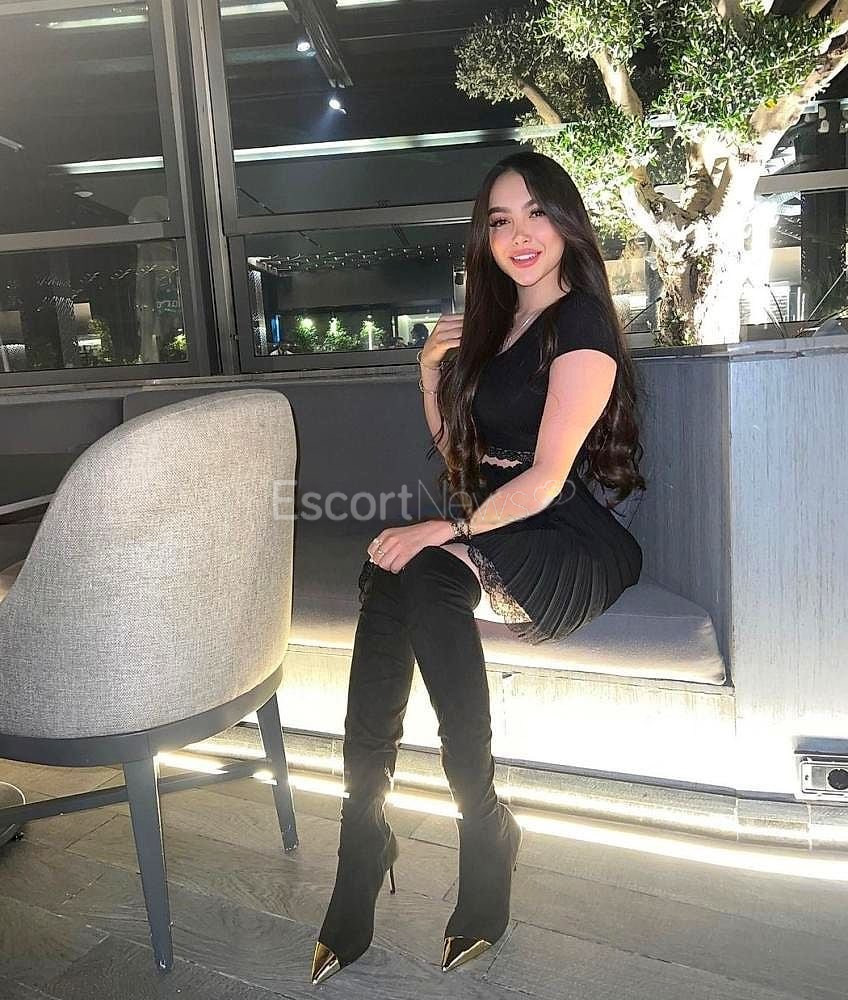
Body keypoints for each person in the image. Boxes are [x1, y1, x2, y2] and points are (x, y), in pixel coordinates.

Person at [310, 151, 646, 984]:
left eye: (535, 213)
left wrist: (446, 528)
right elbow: (462, 458)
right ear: (483, 237)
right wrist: (429, 375)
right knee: (402, 574)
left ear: (566, 222)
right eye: (500, 220)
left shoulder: (581, 324)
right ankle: (378, 829)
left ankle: (448, 828)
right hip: (495, 521)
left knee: (417, 563)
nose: (519, 234)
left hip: (561, 540)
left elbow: (544, 479)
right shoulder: (493, 328)